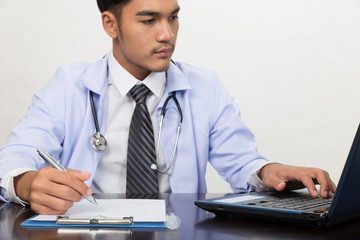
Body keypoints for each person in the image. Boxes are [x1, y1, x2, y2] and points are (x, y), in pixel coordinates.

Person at [0, 0, 336, 215]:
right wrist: (27, 183)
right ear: (110, 24)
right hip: (90, 231)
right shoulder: (68, 85)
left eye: (173, 18)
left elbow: (242, 162)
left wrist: (269, 172)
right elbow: (15, 154)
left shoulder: (205, 85)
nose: (167, 34)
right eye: (149, 20)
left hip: (178, 231)